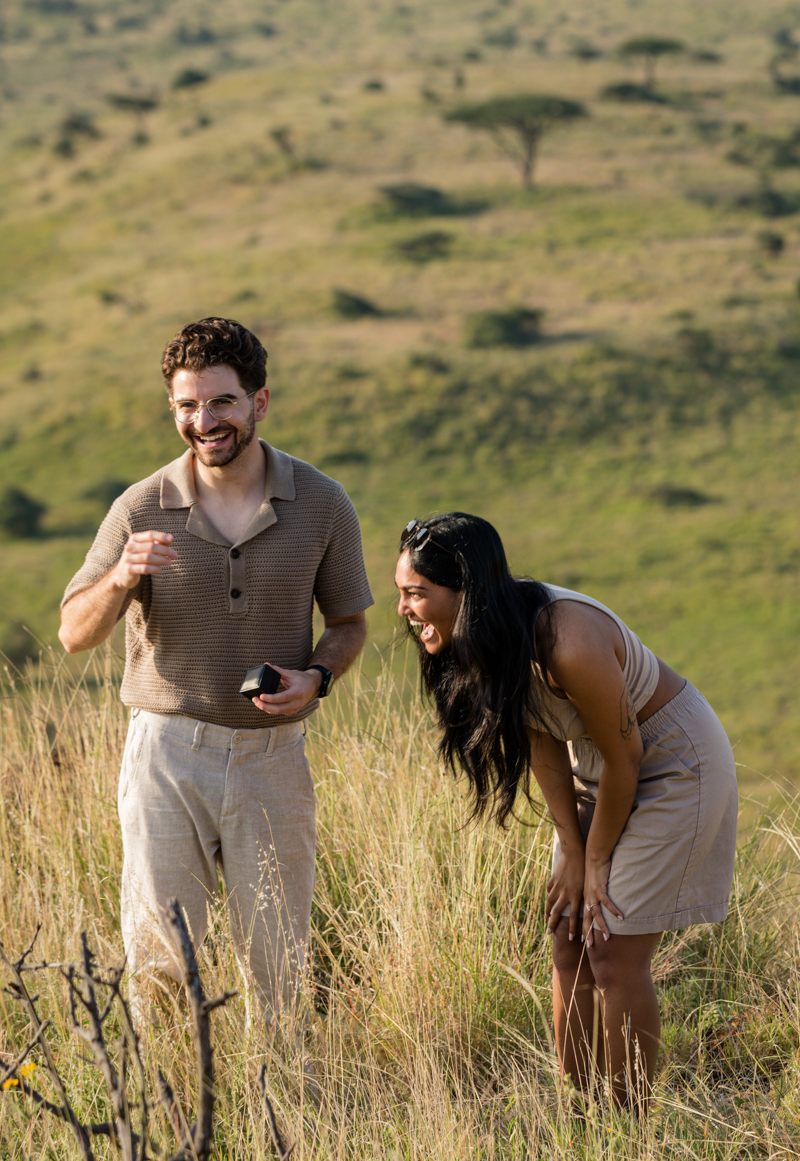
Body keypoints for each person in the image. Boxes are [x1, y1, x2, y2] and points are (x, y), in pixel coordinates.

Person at [59, 317, 373, 1025]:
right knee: (162, 961)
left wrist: (316, 680)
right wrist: (119, 578)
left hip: (272, 757)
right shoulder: (139, 507)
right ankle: (170, 1126)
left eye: (222, 402)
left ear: (259, 402)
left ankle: (285, 1118)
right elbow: (73, 633)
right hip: (166, 756)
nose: (205, 422)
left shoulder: (323, 503)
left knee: (279, 960)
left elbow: (350, 625)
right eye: (187, 406)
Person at [395, 512, 737, 1112]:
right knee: (567, 935)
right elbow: (542, 737)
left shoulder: (566, 639)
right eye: (402, 593)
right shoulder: (491, 637)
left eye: (417, 594)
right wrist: (571, 851)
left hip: (671, 763)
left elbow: (627, 756)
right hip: (600, 765)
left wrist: (596, 860)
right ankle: (583, 1119)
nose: (404, 609)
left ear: (466, 592)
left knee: (610, 945)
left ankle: (625, 1126)